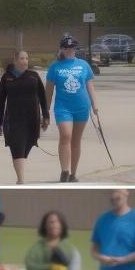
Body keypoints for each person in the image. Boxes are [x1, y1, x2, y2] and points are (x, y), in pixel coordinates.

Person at [45, 35, 99, 183]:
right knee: (66, 135)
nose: (69, 50)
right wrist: (45, 111)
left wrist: (95, 104)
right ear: (61, 49)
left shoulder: (83, 65)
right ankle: (64, 170)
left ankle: (73, 173)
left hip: (81, 106)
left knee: (76, 140)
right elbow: (48, 91)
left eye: (72, 48)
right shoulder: (55, 67)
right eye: (66, 48)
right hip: (63, 107)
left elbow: (90, 86)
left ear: (75, 49)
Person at [0, 50, 49, 184]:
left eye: (26, 58)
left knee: (26, 146)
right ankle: (21, 180)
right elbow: (1, 101)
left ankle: (20, 177)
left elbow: (43, 98)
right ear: (15, 60)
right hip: (13, 120)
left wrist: (46, 116)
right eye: (21, 58)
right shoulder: (7, 77)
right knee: (17, 147)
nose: (25, 61)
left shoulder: (34, 76)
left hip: (32, 119)